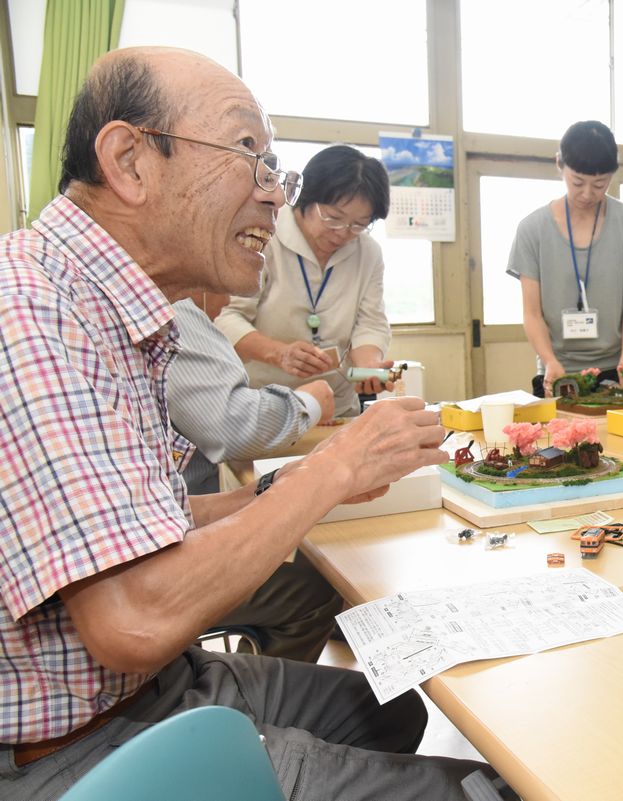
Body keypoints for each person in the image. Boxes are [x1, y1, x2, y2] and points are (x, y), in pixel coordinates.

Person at [0, 47, 492, 799]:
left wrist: (279, 490)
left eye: (276, 170)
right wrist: (334, 467)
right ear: (130, 160)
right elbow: (129, 618)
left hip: (150, 684)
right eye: (249, 156)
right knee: (490, 787)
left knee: (385, 707)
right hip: (75, 745)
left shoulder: (108, 308)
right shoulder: (32, 310)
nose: (272, 194)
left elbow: (129, 522)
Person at [169, 291, 343, 663]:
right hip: (158, 560)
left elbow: (174, 508)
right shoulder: (175, 311)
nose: (230, 298)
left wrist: (275, 486)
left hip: (171, 530)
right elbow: (233, 427)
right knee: (313, 587)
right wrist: (307, 404)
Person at [215, 144, 396, 418]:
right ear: (306, 198)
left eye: (359, 224)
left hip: (338, 405)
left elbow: (370, 321)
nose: (344, 233)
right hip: (266, 404)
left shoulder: (367, 252)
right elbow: (226, 317)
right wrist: (279, 353)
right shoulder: (264, 236)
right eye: (334, 218)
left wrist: (368, 366)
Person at [507, 120, 623, 397]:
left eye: (600, 184)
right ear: (559, 164)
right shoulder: (532, 229)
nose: (587, 194)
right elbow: (532, 313)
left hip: (617, 369)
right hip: (557, 371)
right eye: (577, 182)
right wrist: (551, 362)